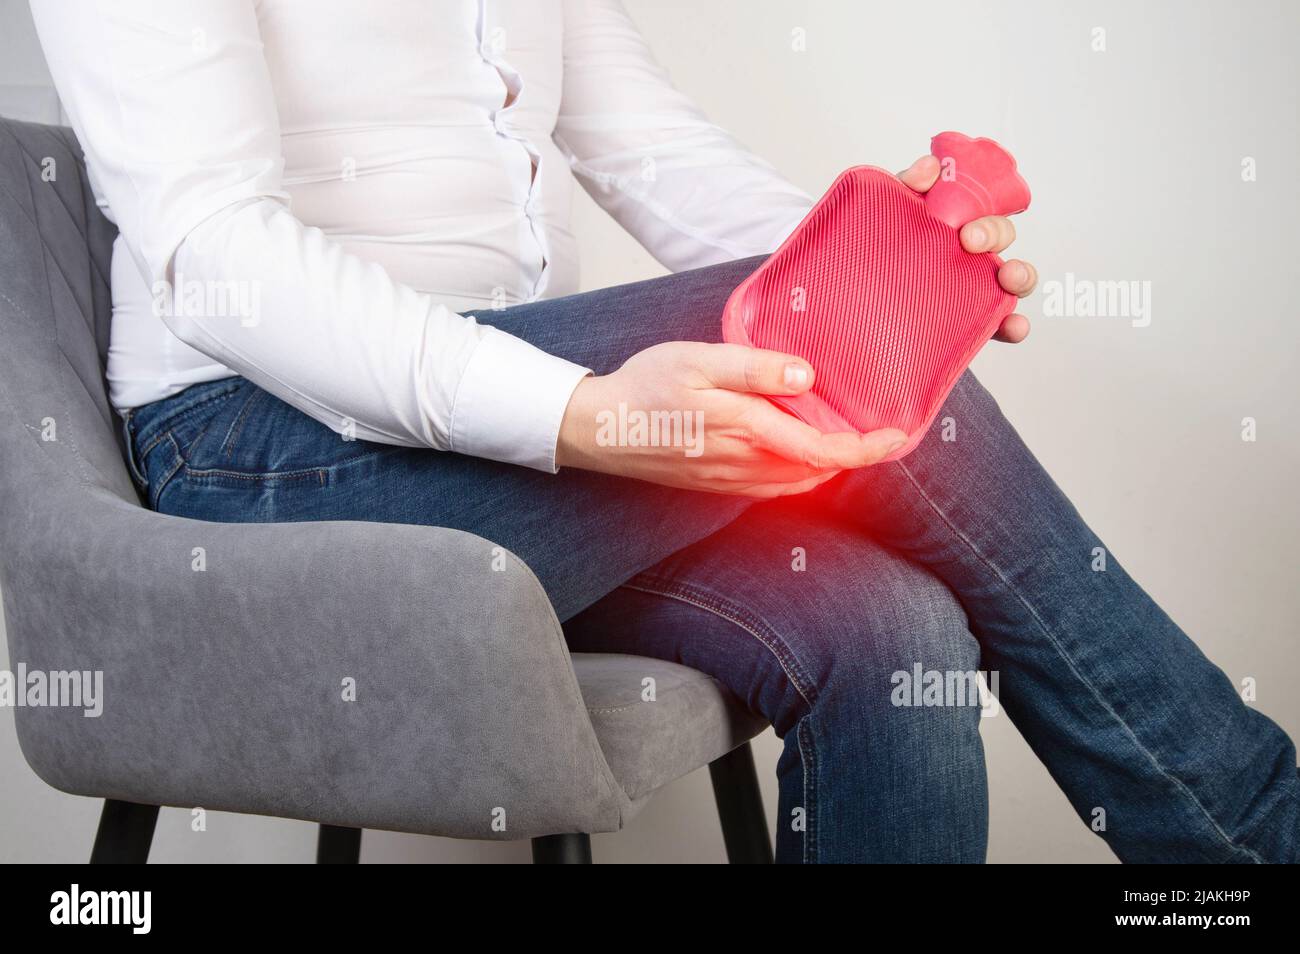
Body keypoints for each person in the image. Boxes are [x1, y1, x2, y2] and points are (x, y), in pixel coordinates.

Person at [32, 0, 1297, 863]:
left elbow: (653, 153)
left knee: (886, 627)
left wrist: (877, 266)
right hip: (252, 452)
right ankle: (1244, 837)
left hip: (506, 461)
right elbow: (214, 256)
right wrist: (583, 414)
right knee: (838, 361)